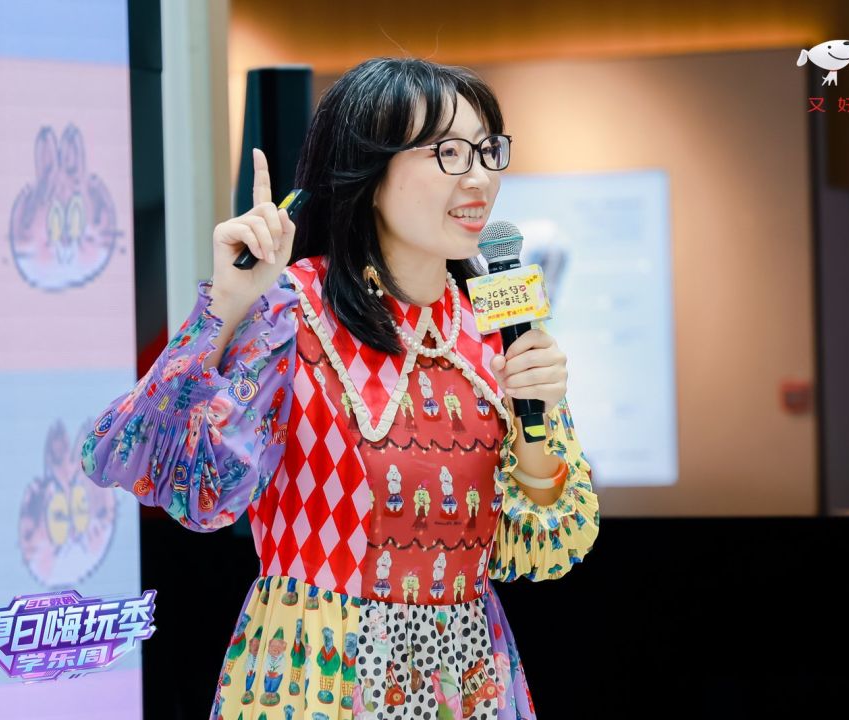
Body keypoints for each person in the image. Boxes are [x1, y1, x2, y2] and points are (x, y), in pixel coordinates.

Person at [81, 57, 599, 720]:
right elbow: (183, 483)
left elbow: (545, 548)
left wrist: (537, 422)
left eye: (486, 150)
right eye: (448, 152)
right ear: (368, 169)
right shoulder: (292, 311)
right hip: (318, 673)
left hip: (467, 677)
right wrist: (227, 307)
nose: (478, 177)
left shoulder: (497, 319)